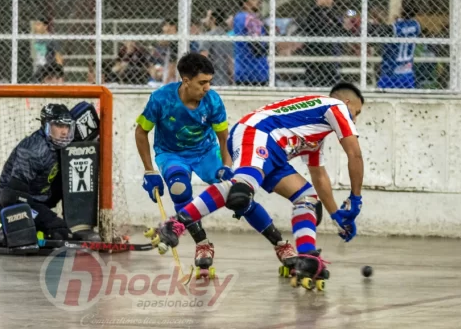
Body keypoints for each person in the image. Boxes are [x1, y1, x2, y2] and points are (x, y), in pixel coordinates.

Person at [151, 82, 366, 289]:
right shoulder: (336, 107)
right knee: (241, 191)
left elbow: (319, 176)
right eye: (355, 113)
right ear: (347, 103)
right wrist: (356, 198)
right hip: (257, 133)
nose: (353, 120)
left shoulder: (314, 132)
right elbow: (354, 154)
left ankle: (307, 257)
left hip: (275, 150)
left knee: (307, 197)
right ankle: (176, 224)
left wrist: (336, 215)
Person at [135, 53, 296, 276]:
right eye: (202, 82)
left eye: (210, 82)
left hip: (206, 152)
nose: (207, 87)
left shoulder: (212, 101)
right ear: (186, 80)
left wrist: (227, 167)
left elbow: (224, 138)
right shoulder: (160, 99)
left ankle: (281, 244)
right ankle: (202, 244)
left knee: (238, 195)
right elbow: (141, 132)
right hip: (171, 154)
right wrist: (149, 170)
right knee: (179, 188)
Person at [0, 104, 76, 244]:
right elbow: (10, 196)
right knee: (59, 231)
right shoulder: (33, 150)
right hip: (15, 201)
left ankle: (21, 227)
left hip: (40, 197)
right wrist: (45, 217)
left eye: (67, 127)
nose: (64, 132)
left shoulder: (60, 146)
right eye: (59, 126)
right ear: (46, 126)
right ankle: (4, 231)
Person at [371, 2, 421, 89]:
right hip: (407, 73)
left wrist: (381, 18)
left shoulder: (395, 27)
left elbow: (380, 33)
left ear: (401, 10)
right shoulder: (416, 25)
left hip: (391, 73)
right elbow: (405, 28)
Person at [300, 0, 343, 88]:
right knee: (317, 79)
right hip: (317, 53)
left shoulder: (331, 13)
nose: (329, 0)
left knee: (331, 80)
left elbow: (340, 28)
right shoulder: (313, 13)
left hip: (330, 53)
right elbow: (316, 28)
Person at [233, 0, 269, 86]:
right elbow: (257, 47)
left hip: (255, 70)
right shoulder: (246, 18)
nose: (258, 1)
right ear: (245, 3)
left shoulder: (253, 18)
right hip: (251, 71)